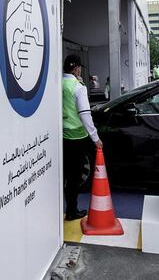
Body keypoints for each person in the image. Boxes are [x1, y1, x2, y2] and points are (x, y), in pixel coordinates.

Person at [62, 54, 103, 221]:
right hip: (77, 137)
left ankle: (63, 209)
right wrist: (95, 138)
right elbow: (85, 114)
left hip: (61, 136)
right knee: (75, 177)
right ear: (77, 68)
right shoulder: (78, 87)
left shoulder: (59, 83)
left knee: (64, 175)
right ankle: (72, 211)